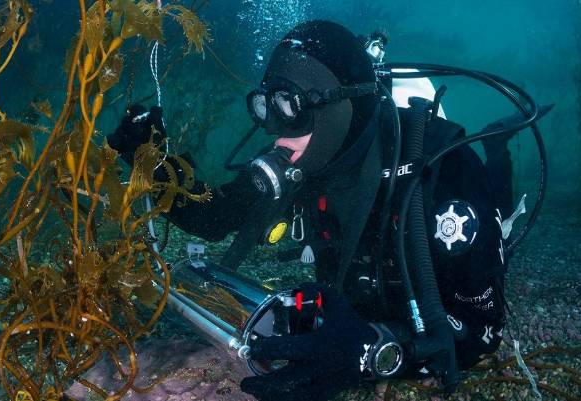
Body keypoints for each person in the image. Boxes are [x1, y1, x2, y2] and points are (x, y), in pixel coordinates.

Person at [108, 20, 531, 401]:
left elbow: (480, 334)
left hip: (456, 231)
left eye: (290, 107)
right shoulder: (300, 155)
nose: (274, 130)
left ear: (336, 111)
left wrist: (372, 352)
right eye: (265, 107)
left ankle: (497, 148)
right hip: (365, 300)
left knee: (499, 206)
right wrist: (150, 159)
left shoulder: (446, 169)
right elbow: (213, 217)